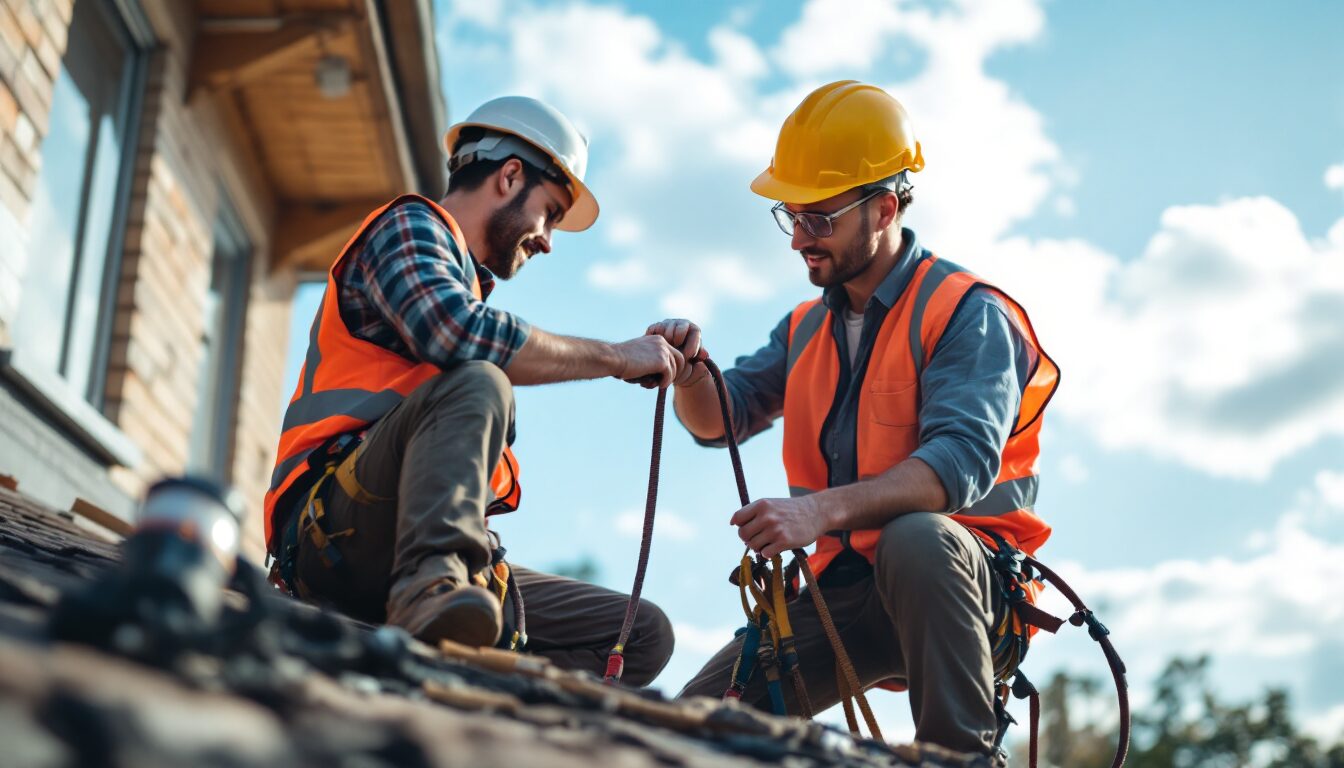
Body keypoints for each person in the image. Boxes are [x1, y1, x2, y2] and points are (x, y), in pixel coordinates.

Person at [663, 80, 1059, 757]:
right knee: (688, 729)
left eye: (820, 219)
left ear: (883, 209)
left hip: (957, 590)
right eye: (792, 216)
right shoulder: (805, 328)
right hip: (841, 596)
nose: (799, 240)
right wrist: (691, 371)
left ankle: (961, 756)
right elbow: (716, 422)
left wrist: (817, 513)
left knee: (917, 537)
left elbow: (956, 468)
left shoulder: (967, 313)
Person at [264, 96, 680, 685]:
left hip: (399, 544)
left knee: (641, 634)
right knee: (482, 377)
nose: (548, 240)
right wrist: (615, 357)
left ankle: (475, 669)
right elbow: (453, 332)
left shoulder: (460, 277)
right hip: (331, 537)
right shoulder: (408, 227)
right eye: (551, 213)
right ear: (510, 176)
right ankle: (430, 592)